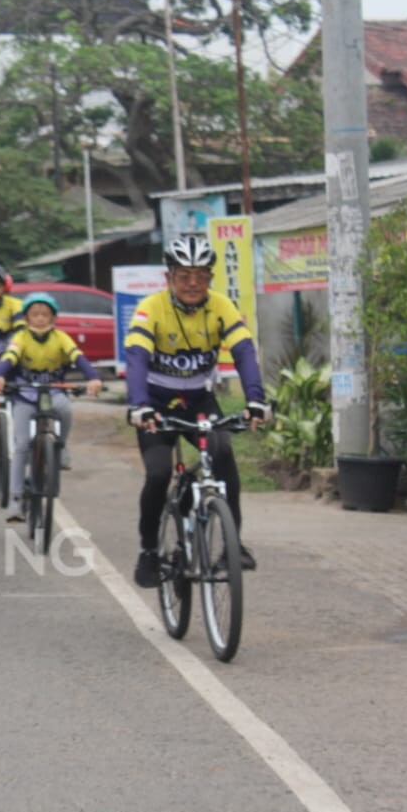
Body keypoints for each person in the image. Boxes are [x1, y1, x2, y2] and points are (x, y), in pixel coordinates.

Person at [125, 236, 270, 588]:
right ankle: (148, 551)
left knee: (222, 456)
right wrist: (139, 404)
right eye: (184, 275)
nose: (193, 284)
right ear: (169, 277)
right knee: (158, 474)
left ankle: (232, 546)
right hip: (156, 406)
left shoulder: (221, 306)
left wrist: (255, 399)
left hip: (199, 402)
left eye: (201, 276)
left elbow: (245, 352)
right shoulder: (151, 307)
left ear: (209, 279)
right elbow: (136, 358)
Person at [0, 292, 102, 522]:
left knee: (66, 411)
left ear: (53, 318)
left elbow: (77, 357)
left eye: (45, 314)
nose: (40, 319)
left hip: (54, 390)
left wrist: (93, 377)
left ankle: (61, 447)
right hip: (25, 394)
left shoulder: (61, 337)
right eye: (35, 314)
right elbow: (9, 357)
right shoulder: (20, 337)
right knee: (21, 446)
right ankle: (16, 499)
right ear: (27, 318)